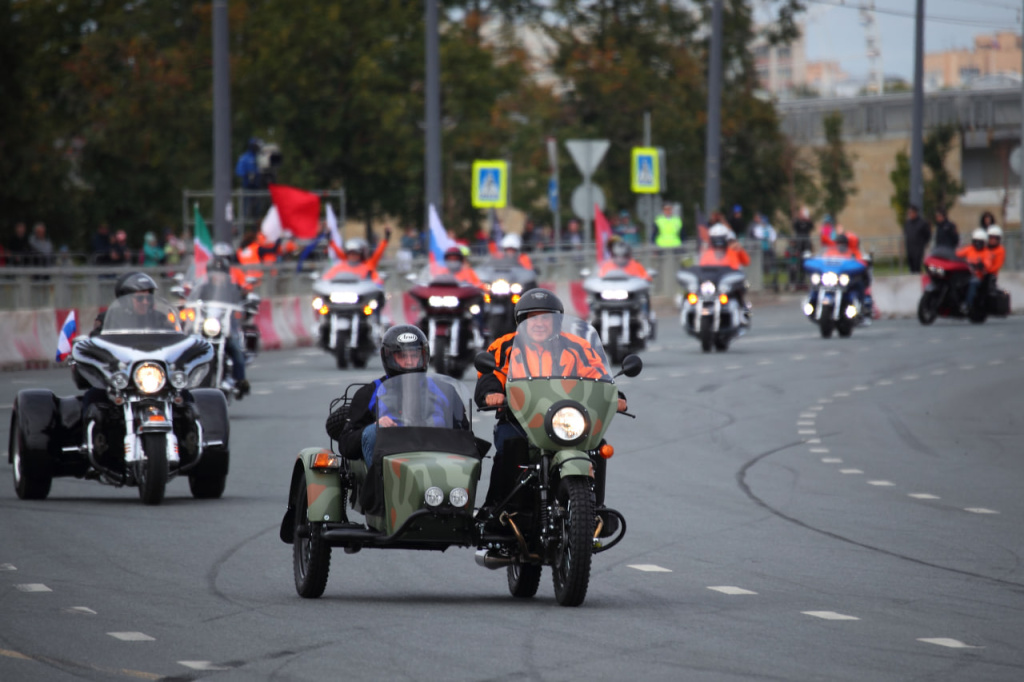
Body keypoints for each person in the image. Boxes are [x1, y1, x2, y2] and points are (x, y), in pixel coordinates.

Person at [474, 290, 626, 511]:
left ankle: (594, 510)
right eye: (532, 317)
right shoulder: (505, 346)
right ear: (521, 321)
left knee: (597, 446)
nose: (538, 323)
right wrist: (492, 393)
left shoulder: (578, 346)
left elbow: (599, 375)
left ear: (557, 321)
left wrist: (616, 397)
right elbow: (490, 375)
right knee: (509, 445)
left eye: (545, 317)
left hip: (566, 420)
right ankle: (496, 512)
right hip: (520, 421)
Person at [336, 325, 453, 468]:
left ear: (424, 355)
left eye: (414, 355)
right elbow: (346, 444)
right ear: (389, 357)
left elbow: (466, 438)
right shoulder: (369, 392)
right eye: (402, 356)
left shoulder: (445, 390)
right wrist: (375, 426)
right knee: (372, 432)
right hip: (387, 472)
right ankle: (378, 488)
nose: (409, 361)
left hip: (436, 466)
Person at [196, 256, 251, 396]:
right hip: (206, 328)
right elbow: (193, 302)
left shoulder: (232, 289)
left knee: (236, 349)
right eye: (214, 272)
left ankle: (240, 379)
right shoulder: (203, 289)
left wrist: (243, 308)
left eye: (221, 273)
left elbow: (241, 305)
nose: (218, 276)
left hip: (226, 328)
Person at [323, 230, 390, 284]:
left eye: (355, 254)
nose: (352, 256)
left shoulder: (368, 266)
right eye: (350, 253)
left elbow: (378, 253)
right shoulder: (342, 266)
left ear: (361, 254)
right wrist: (330, 240)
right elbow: (338, 252)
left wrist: (386, 239)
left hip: (363, 294)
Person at [956, 228, 993, 313]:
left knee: (973, 282)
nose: (978, 244)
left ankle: (967, 304)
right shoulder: (969, 248)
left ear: (984, 243)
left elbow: (988, 264)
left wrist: (982, 265)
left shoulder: (986, 252)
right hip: (965, 274)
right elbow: (958, 254)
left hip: (978, 276)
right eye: (976, 241)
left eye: (980, 242)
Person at [903, 205, 931, 273]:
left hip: (918, 249)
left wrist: (924, 243)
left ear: (915, 213)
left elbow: (928, 235)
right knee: (911, 268)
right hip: (910, 249)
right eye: (908, 213)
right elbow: (906, 233)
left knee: (917, 267)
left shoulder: (922, 223)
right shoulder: (908, 223)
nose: (909, 214)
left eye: (911, 212)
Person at [791, 207, 815, 286]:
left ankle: (804, 281)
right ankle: (797, 282)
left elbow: (811, 227)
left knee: (806, 263)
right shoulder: (797, 222)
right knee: (797, 264)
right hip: (799, 245)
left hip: (806, 245)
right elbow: (795, 226)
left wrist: (808, 219)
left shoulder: (808, 223)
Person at [751, 213, 777, 281]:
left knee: (772, 262)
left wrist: (769, 239)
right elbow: (757, 235)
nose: (764, 224)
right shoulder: (758, 228)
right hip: (761, 249)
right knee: (761, 264)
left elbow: (773, 237)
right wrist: (765, 237)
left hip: (769, 248)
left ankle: (772, 276)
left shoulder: (770, 228)